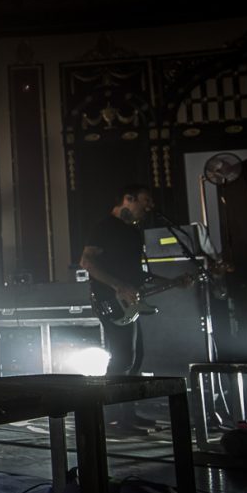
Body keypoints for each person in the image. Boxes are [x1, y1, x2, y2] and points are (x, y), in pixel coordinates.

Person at [79, 184, 183, 431]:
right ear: (128, 198)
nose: (149, 207)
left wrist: (171, 281)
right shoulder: (104, 227)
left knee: (135, 358)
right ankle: (107, 415)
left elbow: (137, 274)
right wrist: (119, 286)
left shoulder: (133, 232)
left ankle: (127, 414)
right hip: (110, 299)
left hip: (129, 302)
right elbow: (87, 261)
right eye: (145, 201)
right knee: (123, 357)